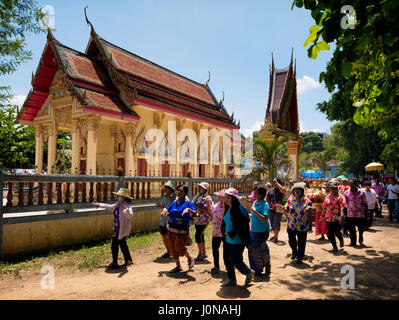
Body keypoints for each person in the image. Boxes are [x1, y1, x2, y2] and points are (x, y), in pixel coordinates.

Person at [92, 188, 134, 269]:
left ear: (124, 197)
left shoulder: (127, 206)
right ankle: (128, 260)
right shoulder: (117, 204)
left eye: (120, 196)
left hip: (122, 229)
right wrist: (99, 204)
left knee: (114, 244)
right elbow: (110, 207)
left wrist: (127, 212)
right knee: (122, 244)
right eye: (118, 195)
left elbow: (130, 215)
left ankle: (115, 262)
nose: (118, 197)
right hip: (118, 227)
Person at [221, 188, 255, 286]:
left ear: (234, 198)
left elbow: (243, 223)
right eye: (225, 197)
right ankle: (232, 279)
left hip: (237, 240)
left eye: (228, 197)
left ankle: (248, 272)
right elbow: (224, 222)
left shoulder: (240, 208)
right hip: (227, 240)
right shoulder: (228, 208)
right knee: (227, 260)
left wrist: (231, 233)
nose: (226, 199)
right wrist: (224, 233)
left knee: (235, 260)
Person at [160, 184, 197, 273]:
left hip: (181, 229)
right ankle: (178, 266)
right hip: (171, 228)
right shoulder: (173, 203)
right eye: (178, 190)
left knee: (179, 247)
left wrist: (189, 210)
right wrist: (164, 211)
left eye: (181, 191)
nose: (179, 192)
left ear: (185, 193)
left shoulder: (188, 203)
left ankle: (190, 258)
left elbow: (195, 214)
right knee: (172, 248)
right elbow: (167, 210)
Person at [283, 183, 313, 264]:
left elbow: (311, 207)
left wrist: (309, 208)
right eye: (295, 190)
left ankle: (300, 257)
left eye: (298, 190)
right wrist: (284, 208)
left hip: (302, 225)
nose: (296, 192)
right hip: (291, 224)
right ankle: (294, 251)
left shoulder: (306, 200)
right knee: (291, 240)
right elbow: (287, 207)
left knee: (301, 242)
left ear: (302, 191)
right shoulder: (290, 199)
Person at [248, 187, 271, 277]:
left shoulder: (265, 205)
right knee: (253, 249)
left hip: (262, 231)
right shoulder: (255, 202)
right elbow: (254, 215)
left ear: (261, 195)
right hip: (253, 230)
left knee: (258, 250)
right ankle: (256, 268)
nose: (254, 194)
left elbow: (264, 218)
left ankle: (262, 267)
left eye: (256, 193)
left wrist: (254, 211)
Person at [321, 181, 346, 253]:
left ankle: (341, 239)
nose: (334, 190)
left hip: (337, 218)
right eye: (332, 188)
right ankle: (334, 247)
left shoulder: (340, 197)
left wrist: (341, 216)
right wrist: (322, 215)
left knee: (337, 231)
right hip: (328, 218)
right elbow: (324, 206)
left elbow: (342, 207)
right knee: (329, 233)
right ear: (330, 189)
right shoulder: (327, 196)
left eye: (335, 188)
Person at [344, 179, 369, 246]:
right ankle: (353, 241)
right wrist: (344, 214)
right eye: (350, 184)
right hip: (350, 214)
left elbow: (365, 203)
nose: (351, 186)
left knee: (361, 228)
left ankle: (360, 238)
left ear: (356, 184)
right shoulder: (346, 193)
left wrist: (367, 213)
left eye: (352, 184)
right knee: (351, 229)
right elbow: (344, 204)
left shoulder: (361, 192)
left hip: (360, 214)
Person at [192, 182, 213, 261]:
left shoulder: (208, 198)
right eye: (200, 187)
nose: (200, 189)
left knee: (198, 235)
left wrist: (195, 205)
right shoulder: (198, 197)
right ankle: (203, 252)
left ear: (205, 190)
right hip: (198, 219)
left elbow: (206, 210)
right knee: (201, 236)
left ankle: (200, 253)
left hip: (204, 220)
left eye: (202, 188)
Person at [156, 181, 176, 258]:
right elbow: (164, 206)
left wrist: (170, 198)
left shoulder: (174, 197)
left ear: (170, 189)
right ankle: (168, 251)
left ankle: (172, 250)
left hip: (170, 219)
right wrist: (160, 206)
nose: (164, 190)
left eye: (166, 188)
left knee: (169, 236)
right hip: (163, 219)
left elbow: (174, 205)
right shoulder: (164, 196)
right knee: (164, 235)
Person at [266, 178, 285, 243]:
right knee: (272, 222)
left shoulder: (280, 189)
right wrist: (269, 205)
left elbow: (283, 191)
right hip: (271, 209)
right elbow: (267, 198)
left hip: (278, 209)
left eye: (276, 182)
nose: (274, 183)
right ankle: (275, 235)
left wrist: (277, 183)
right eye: (274, 182)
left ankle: (276, 237)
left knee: (276, 223)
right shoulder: (270, 190)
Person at [211, 190, 226, 273]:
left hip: (225, 231)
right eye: (219, 196)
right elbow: (211, 211)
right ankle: (216, 266)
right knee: (215, 248)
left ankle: (229, 265)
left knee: (227, 249)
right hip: (216, 231)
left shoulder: (227, 206)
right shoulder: (216, 205)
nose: (218, 197)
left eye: (220, 196)